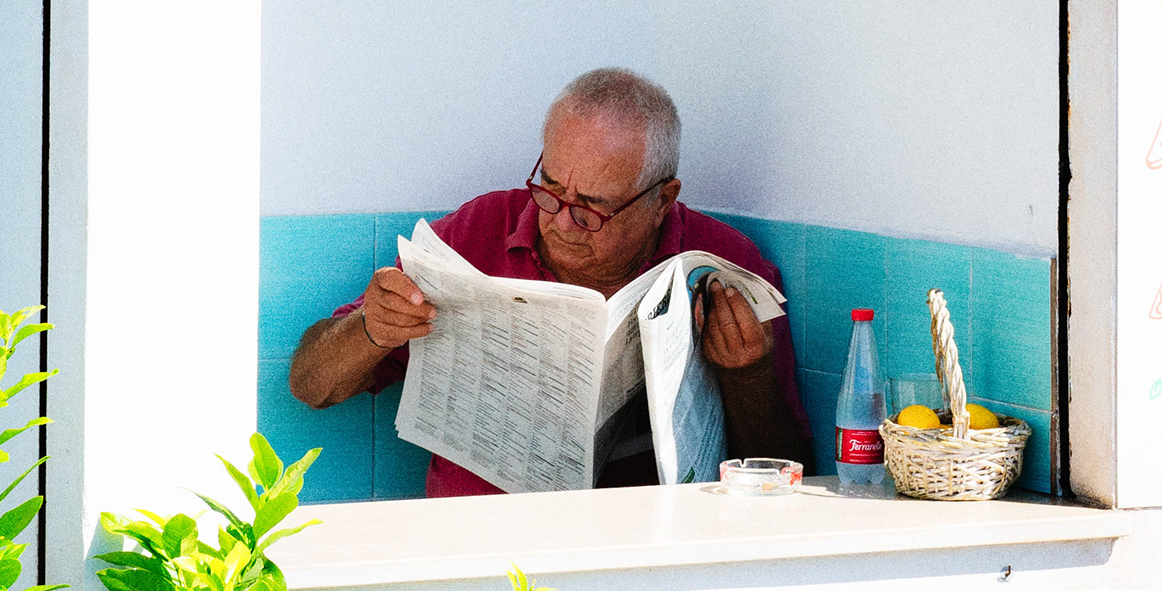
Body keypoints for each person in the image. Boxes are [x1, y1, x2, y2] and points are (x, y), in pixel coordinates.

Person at [289, 68, 812, 495]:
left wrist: (749, 377)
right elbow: (311, 384)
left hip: (641, 553)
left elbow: (795, 475)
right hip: (476, 543)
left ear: (662, 200)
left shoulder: (724, 266)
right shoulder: (478, 232)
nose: (561, 222)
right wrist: (372, 327)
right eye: (551, 188)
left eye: (591, 208)